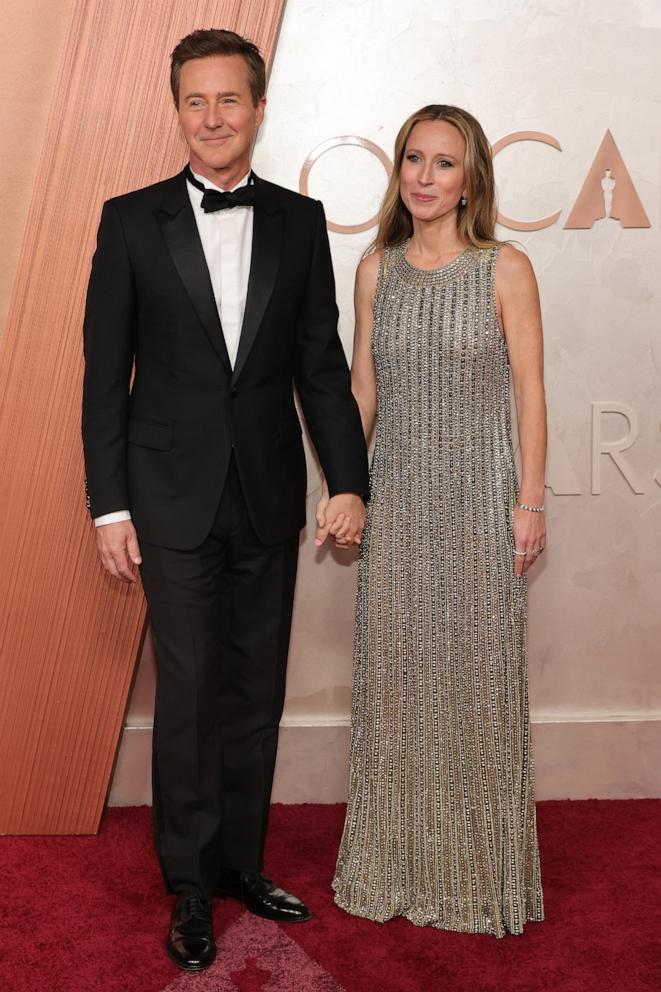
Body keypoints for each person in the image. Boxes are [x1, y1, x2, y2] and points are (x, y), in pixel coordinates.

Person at [82, 29, 368, 972]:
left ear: (257, 107)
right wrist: (109, 507)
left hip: (267, 496)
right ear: (179, 111)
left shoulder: (297, 218)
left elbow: (322, 372)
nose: (213, 118)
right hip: (166, 501)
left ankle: (243, 863)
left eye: (230, 100)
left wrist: (351, 480)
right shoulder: (129, 220)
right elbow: (103, 377)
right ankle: (191, 888)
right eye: (196, 101)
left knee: (254, 696)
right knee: (192, 696)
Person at [329, 105, 546, 936]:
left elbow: (530, 391)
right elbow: (361, 390)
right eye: (412, 160)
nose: (423, 176)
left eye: (442, 163)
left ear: (470, 180)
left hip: (480, 506)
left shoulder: (505, 268)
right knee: (398, 687)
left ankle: (475, 879)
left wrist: (528, 503)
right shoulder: (374, 270)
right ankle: (395, 865)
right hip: (402, 505)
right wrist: (348, 487)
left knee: (476, 687)